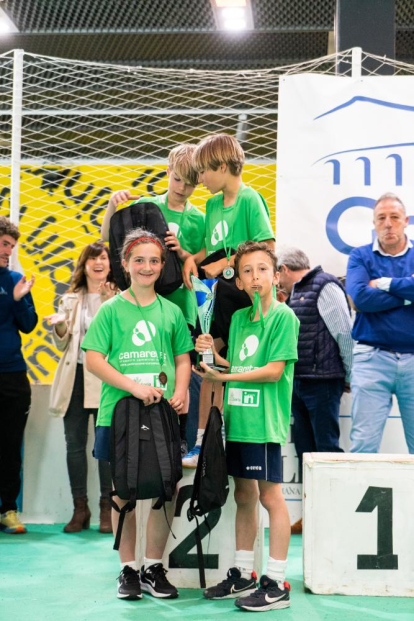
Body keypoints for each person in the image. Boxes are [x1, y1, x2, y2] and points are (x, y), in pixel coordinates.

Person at [82, 228, 193, 601]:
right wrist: (132, 386)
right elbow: (94, 359)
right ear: (126, 265)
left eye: (154, 260)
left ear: (162, 267)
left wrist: (180, 392)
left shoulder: (172, 311)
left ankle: (153, 566)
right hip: (119, 414)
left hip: (162, 414)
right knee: (123, 492)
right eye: (139, 260)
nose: (147, 267)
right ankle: (128, 570)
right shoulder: (111, 310)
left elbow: (182, 356)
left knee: (165, 489)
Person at [194, 241, 299, 612]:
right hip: (237, 423)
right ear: (237, 281)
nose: (255, 277)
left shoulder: (284, 318)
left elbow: (272, 371)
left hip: (264, 425)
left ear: (275, 275)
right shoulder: (239, 320)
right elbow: (234, 366)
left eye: (262, 270)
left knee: (271, 498)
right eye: (247, 272)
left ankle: (277, 581)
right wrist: (212, 358)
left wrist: (226, 376)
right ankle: (243, 573)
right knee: (244, 496)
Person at [101, 143, 204, 454]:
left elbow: (201, 263)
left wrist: (183, 252)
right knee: (145, 366)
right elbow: (110, 238)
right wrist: (111, 207)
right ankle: (141, 436)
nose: (183, 188)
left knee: (185, 368)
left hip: (181, 307)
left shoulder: (199, 219)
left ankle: (184, 439)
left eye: (191, 182)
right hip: (142, 307)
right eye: (178, 180)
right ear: (168, 171)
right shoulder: (147, 205)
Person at [182, 133, 275, 468]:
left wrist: (228, 263)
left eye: (204, 172)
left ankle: (221, 437)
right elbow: (211, 247)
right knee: (207, 364)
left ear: (222, 166)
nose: (200, 179)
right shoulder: (210, 205)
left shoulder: (250, 200)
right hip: (213, 297)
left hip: (240, 298)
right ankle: (200, 441)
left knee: (229, 367)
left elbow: (266, 249)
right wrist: (194, 258)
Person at [277, 247, 353, 534]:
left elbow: (344, 332)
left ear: (284, 269)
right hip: (300, 381)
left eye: (276, 273)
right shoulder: (296, 292)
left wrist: (349, 374)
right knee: (305, 454)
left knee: (326, 449)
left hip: (323, 382)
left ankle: (337, 516)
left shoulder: (326, 285)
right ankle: (313, 516)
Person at [46, 241, 115, 533]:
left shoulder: (117, 297)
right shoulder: (71, 298)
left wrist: (111, 300)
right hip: (74, 376)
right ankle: (80, 509)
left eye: (103, 258)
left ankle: (106, 510)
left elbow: (116, 339)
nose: (98, 262)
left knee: (104, 448)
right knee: (74, 446)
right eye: (93, 258)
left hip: (106, 378)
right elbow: (62, 343)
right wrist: (59, 326)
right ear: (84, 264)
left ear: (110, 265)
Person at [346, 192, 414, 454]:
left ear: (405, 220)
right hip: (371, 360)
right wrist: (407, 295)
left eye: (394, 217)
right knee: (364, 446)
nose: (388, 223)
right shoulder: (360, 256)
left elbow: (371, 294)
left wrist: (385, 285)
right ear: (374, 223)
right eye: (381, 218)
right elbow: (360, 298)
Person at [0, 216, 37, 534]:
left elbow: (28, 324)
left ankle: (8, 510)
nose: (7, 250)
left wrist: (17, 301)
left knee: (10, 448)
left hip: (13, 377)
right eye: (3, 244)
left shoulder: (16, 279)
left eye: (11, 246)